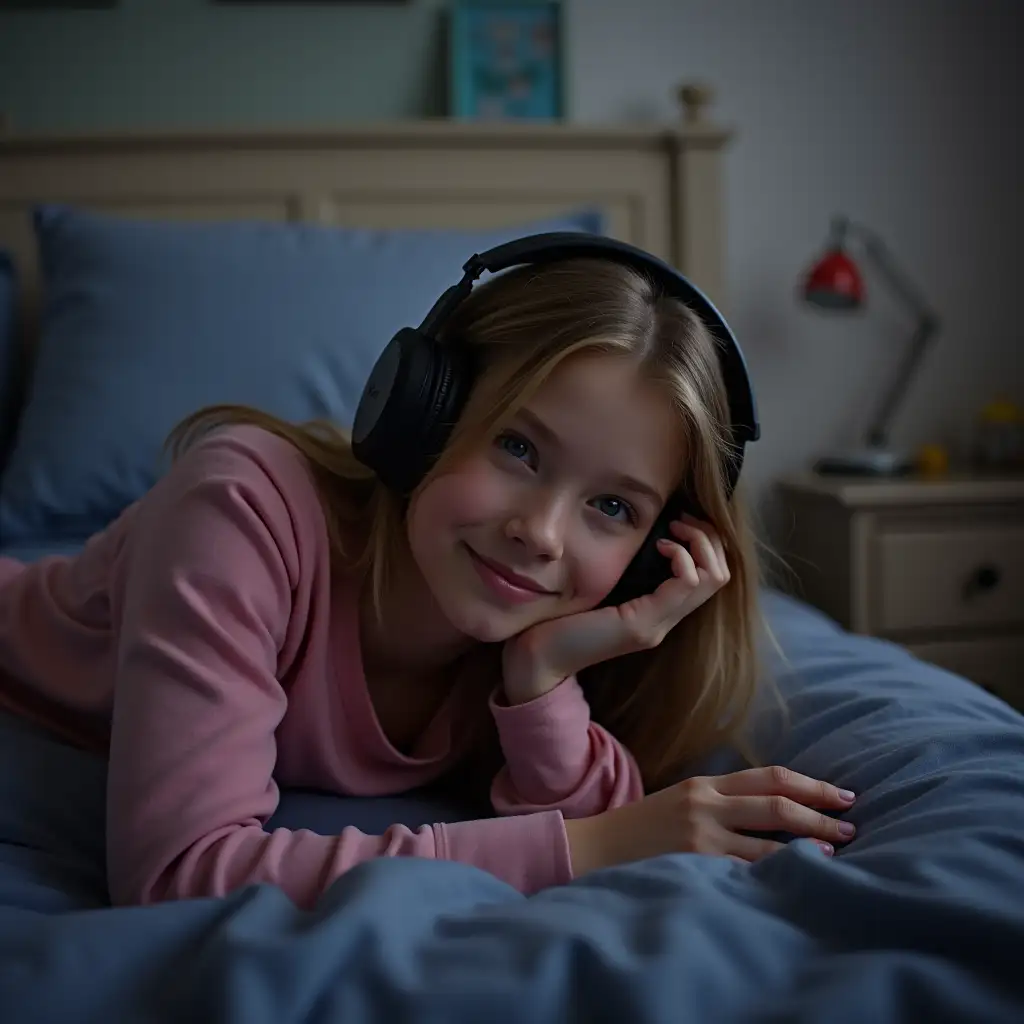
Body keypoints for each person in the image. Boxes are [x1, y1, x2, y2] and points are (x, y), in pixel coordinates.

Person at [0, 242, 857, 911]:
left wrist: (543, 678)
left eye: (613, 509)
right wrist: (592, 851)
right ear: (420, 415)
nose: (540, 534)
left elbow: (587, 809)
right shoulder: (237, 509)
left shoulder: (525, 630)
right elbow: (178, 871)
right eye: (517, 448)